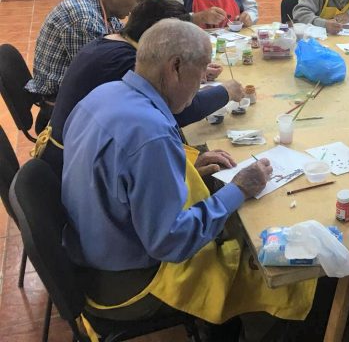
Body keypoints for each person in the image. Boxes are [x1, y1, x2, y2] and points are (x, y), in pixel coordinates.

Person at [61, 19, 315, 335]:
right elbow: (172, 243)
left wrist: (182, 161)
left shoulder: (105, 94)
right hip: (127, 283)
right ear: (176, 67)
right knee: (271, 267)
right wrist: (238, 189)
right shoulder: (150, 135)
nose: (199, 89)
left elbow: (123, 172)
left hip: (91, 251)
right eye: (201, 74)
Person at [37, 0, 245, 178]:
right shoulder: (125, 63)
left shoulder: (113, 43)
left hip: (79, 158)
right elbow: (177, 111)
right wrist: (225, 91)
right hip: (71, 168)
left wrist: (191, 69)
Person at [26, 0, 150, 126]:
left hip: (72, 94)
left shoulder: (103, 6)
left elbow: (123, 40)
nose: (137, 8)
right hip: (59, 109)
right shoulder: (84, 19)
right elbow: (97, 76)